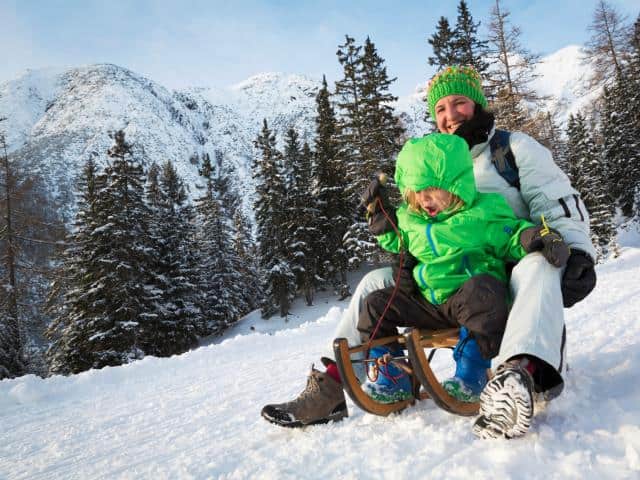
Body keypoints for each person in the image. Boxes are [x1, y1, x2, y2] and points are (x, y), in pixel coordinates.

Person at [261, 66, 597, 438]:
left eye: (459, 103)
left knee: (537, 264)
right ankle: (334, 383)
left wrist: (577, 250)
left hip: (504, 271)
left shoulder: (511, 150)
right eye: (440, 109)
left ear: (478, 105)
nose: (449, 115)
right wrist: (385, 218)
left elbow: (558, 202)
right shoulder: (430, 160)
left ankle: (520, 375)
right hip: (443, 275)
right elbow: (410, 226)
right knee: (375, 283)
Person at [354, 133, 569, 407]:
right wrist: (380, 220)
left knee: (483, 289)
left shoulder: (483, 212)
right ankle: (392, 376)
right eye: (416, 191)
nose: (424, 199)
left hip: (469, 302)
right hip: (427, 303)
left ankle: (471, 376)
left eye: (432, 189)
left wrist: (539, 236)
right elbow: (398, 243)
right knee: (374, 305)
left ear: (456, 185)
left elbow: (512, 234)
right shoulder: (410, 219)